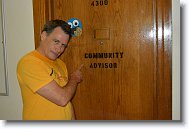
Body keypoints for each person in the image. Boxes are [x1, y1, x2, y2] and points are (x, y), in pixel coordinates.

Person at [17, 20, 83, 120]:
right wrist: (74, 78)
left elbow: (67, 99)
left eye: (63, 45)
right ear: (43, 36)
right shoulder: (29, 63)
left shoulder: (60, 63)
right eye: (56, 42)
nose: (59, 49)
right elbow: (62, 99)